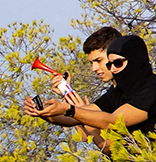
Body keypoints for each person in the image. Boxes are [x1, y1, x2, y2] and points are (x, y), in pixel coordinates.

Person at [24, 26, 156, 149]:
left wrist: (72, 110)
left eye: (99, 61)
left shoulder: (151, 88)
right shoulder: (116, 93)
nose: (94, 68)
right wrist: (42, 111)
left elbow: (112, 124)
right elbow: (73, 118)